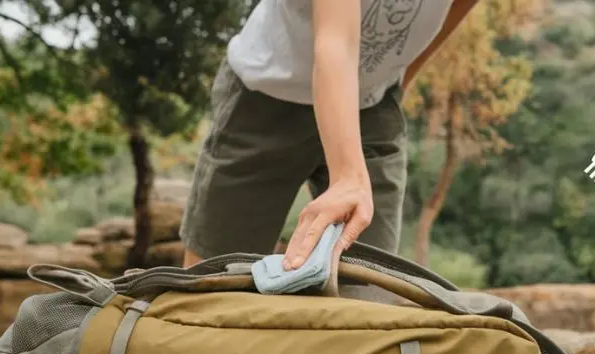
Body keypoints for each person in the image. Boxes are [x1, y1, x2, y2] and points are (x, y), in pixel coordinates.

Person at [180, 0, 479, 270]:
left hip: (372, 106)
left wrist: (397, 83)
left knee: (369, 288)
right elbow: (337, 41)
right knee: (214, 286)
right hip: (269, 96)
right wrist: (349, 178)